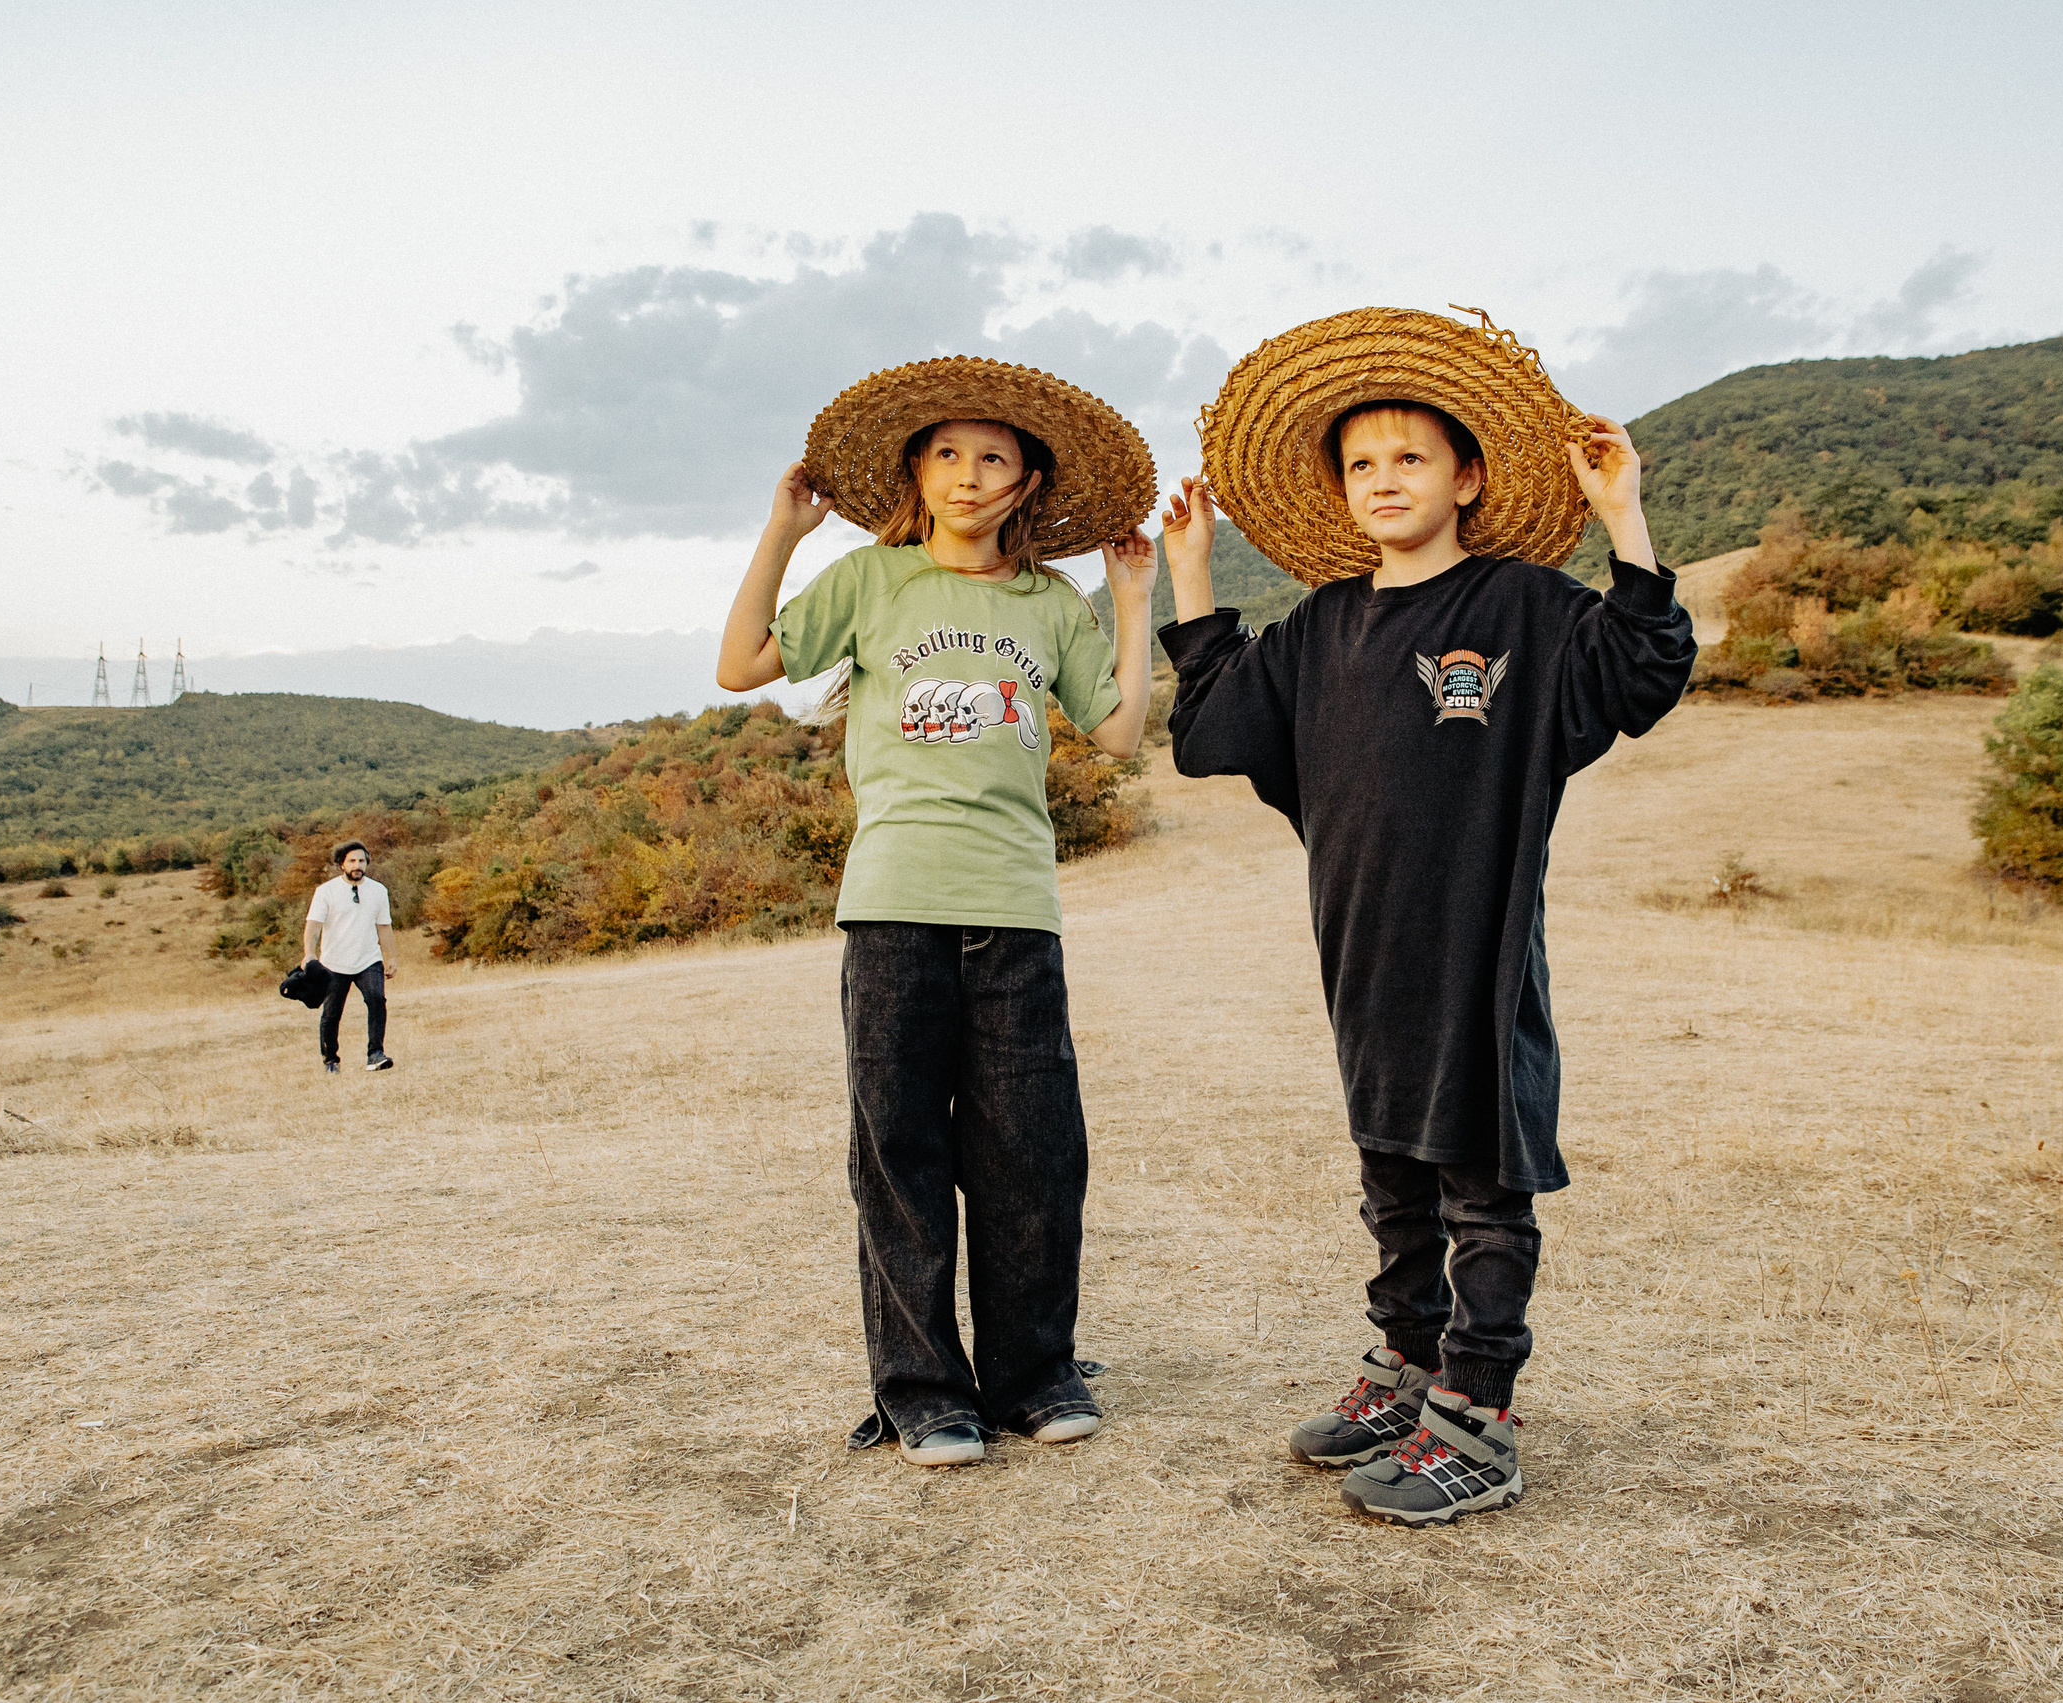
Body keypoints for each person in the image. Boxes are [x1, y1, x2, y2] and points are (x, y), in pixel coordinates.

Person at [1156, 306, 1698, 1525]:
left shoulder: (1520, 606)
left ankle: (1481, 1416)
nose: (1383, 480)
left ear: (1467, 475)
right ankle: (1406, 1364)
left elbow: (1641, 669)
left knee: (1477, 1176)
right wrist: (1193, 573)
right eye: (1360, 464)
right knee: (1390, 1166)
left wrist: (1624, 520)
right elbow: (1213, 728)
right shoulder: (1322, 627)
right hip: (1362, 944)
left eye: (1409, 456)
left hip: (1479, 943)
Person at [716, 356, 1159, 1468]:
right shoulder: (872, 583)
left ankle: (1032, 1375)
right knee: (901, 1149)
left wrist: (1136, 594)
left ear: (1024, 485)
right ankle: (924, 1389)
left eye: (994, 459)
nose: (969, 475)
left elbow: (1115, 734)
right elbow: (739, 665)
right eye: (949, 454)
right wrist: (784, 535)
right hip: (893, 908)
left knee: (1032, 1152)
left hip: (1015, 907)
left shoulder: (1047, 603)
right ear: (918, 468)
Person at [302, 840, 395, 1074]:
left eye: (361, 861)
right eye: (352, 861)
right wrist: (310, 955)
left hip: (368, 959)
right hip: (334, 963)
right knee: (332, 1013)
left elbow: (384, 926)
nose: (357, 865)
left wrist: (391, 957)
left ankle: (375, 1054)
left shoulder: (378, 890)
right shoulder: (326, 891)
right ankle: (331, 1060)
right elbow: (313, 926)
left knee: (377, 1000)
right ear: (341, 864)